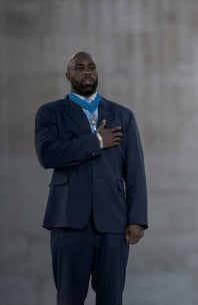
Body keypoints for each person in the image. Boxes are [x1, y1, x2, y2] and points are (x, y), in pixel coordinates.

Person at [34, 52, 148, 305]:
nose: (86, 72)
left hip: (113, 222)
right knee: (69, 298)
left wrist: (137, 218)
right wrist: (96, 141)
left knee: (111, 299)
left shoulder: (123, 115)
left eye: (91, 67)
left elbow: (135, 171)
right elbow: (47, 155)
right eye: (79, 68)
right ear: (68, 76)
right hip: (68, 220)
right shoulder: (50, 113)